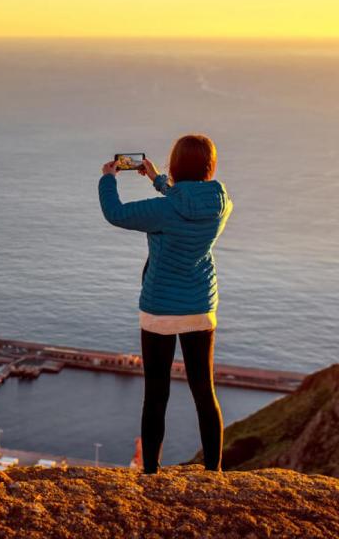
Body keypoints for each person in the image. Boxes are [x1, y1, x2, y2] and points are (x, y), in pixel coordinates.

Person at [98, 134, 232, 474]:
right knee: (205, 392)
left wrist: (108, 178)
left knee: (156, 394)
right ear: (210, 166)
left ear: (175, 165)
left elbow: (116, 213)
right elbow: (187, 202)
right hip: (201, 308)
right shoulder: (221, 204)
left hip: (159, 309)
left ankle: (151, 472)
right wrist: (159, 180)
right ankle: (214, 470)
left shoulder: (163, 210)